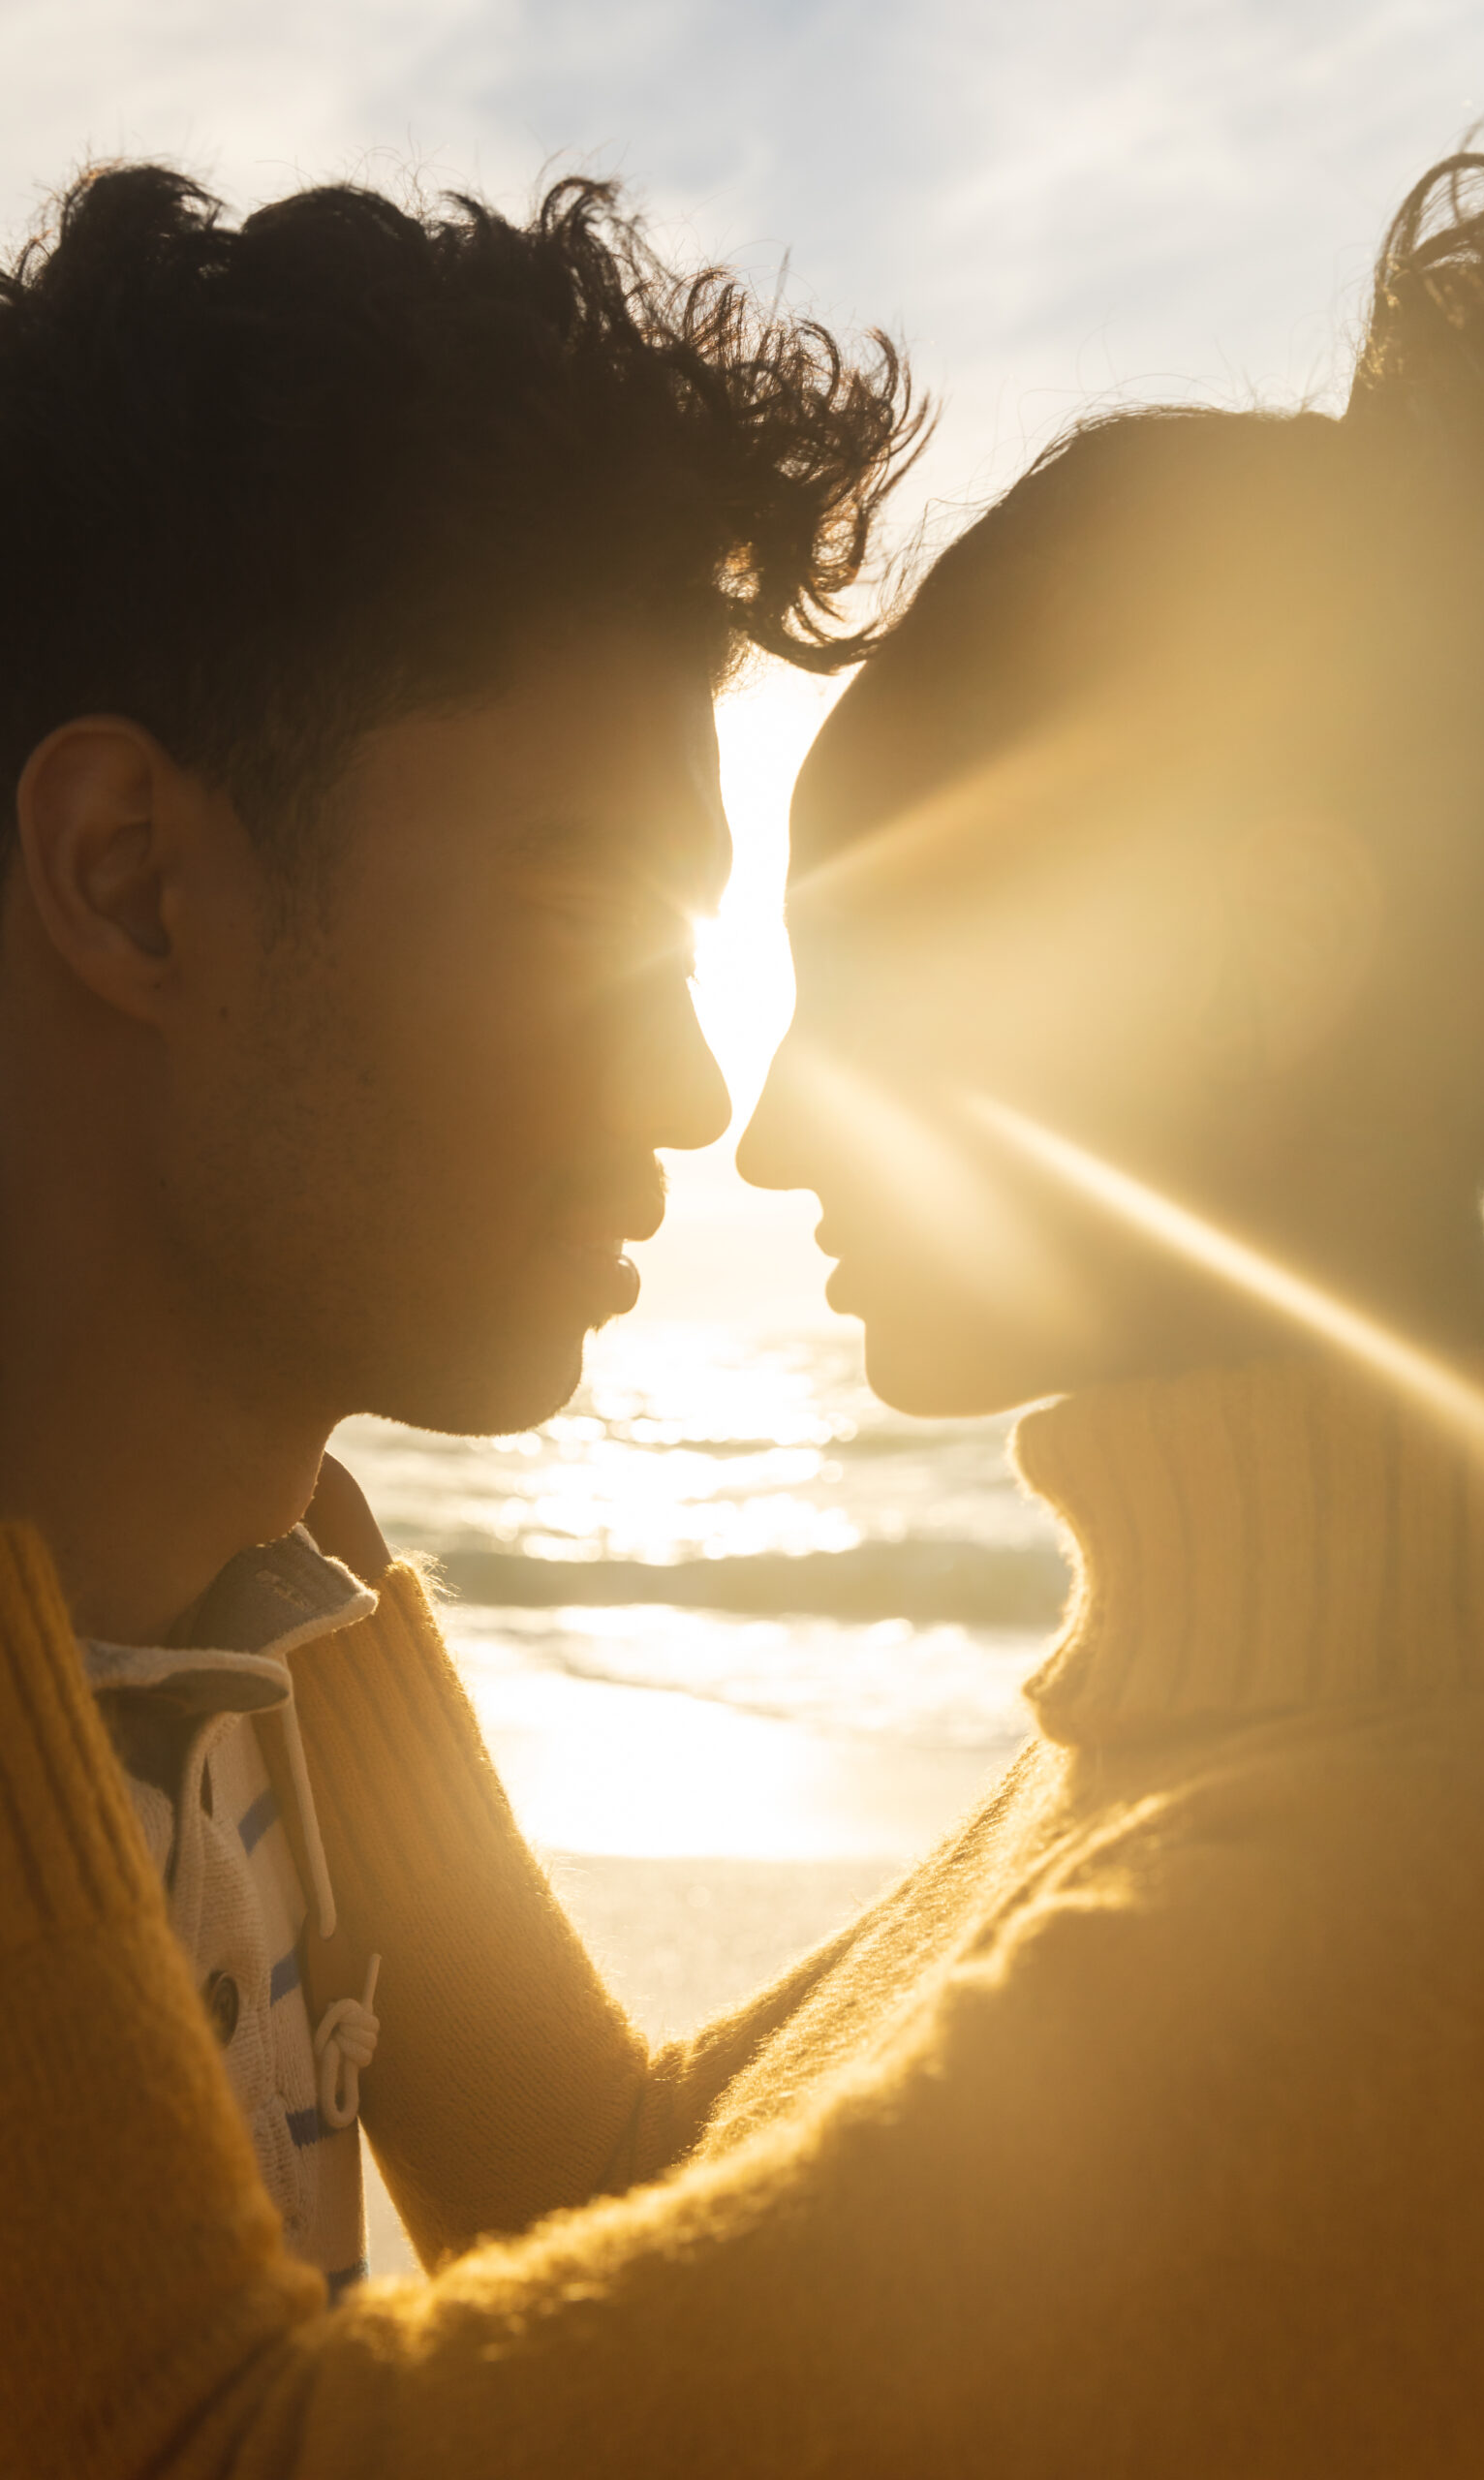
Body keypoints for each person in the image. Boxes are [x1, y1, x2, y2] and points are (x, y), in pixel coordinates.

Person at [9, 151, 1484, 2479]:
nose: (745, 1119)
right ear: (122, 883)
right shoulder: (1269, 1749)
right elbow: (652, 2228)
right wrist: (279, 1558)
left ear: (1258, 964)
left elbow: (218, 2451)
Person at [0, 156, 916, 2314]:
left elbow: (625, 2209)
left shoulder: (267, 1616)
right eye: (589, 914)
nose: (695, 1095)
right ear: (134, 880)